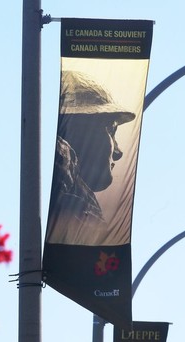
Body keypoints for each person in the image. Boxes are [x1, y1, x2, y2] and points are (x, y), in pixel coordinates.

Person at [46, 71, 135, 245]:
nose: (118, 151)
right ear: (77, 130)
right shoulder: (61, 163)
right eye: (111, 129)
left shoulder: (72, 192)